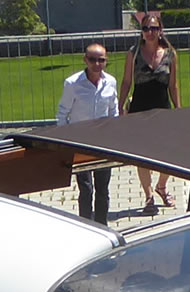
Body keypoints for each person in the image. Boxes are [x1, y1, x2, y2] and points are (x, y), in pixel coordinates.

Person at [120, 10, 180, 211]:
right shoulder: (134, 53)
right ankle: (148, 196)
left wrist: (179, 110)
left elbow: (173, 86)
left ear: (160, 30)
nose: (150, 32)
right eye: (146, 29)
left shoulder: (171, 54)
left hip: (163, 109)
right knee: (142, 155)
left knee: (170, 152)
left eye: (154, 28)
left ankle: (162, 186)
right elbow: (127, 81)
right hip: (140, 109)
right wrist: (120, 106)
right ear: (142, 32)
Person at [53, 44, 121, 223]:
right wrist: (66, 140)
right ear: (85, 60)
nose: (97, 64)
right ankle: (86, 224)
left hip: (104, 142)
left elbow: (113, 110)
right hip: (80, 142)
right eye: (93, 59)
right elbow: (62, 113)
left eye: (101, 60)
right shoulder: (73, 83)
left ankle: (102, 225)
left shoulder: (111, 82)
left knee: (103, 188)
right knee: (86, 188)